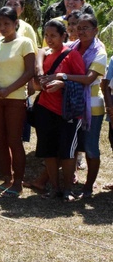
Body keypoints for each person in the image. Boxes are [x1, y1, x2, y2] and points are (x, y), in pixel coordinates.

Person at [32, 19, 87, 201]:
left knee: (67, 152)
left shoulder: (72, 55)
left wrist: (63, 83)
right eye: (46, 35)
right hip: (45, 109)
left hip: (67, 112)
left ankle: (68, 190)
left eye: (53, 35)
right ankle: (54, 188)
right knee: (48, 150)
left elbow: (82, 80)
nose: (49, 39)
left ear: (63, 36)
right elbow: (37, 79)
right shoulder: (45, 54)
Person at [0, 6, 36, 198]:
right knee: (0, 139)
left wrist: (8, 89)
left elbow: (29, 71)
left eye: (7, 23)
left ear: (16, 23)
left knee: (14, 140)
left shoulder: (25, 43)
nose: (3, 27)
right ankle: (6, 178)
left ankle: (18, 182)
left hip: (15, 98)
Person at [68, 12, 106, 197]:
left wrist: (64, 77)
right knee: (74, 146)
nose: (81, 31)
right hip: (74, 104)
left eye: (86, 28)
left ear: (95, 30)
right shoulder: (73, 47)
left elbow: (89, 78)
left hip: (93, 107)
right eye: (78, 27)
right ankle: (72, 177)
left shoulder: (100, 51)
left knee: (91, 147)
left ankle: (88, 186)